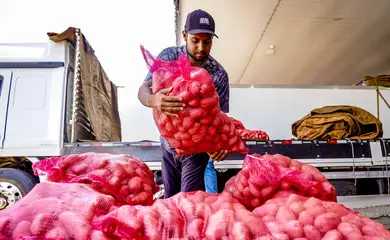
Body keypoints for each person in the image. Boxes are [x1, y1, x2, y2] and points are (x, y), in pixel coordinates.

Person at [138, 9, 230, 198]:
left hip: (197, 149)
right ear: (184, 35)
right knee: (171, 198)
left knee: (188, 202)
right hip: (167, 144)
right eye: (195, 40)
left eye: (207, 41)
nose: (201, 48)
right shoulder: (169, 56)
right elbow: (143, 89)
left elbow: (220, 119)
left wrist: (219, 143)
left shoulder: (218, 74)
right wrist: (153, 99)